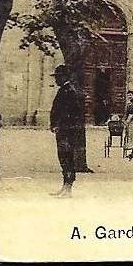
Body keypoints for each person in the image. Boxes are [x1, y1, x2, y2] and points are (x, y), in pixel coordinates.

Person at [49, 65, 84, 197]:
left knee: (67, 158)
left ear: (64, 77)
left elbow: (69, 113)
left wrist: (60, 125)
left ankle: (68, 188)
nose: (56, 80)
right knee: (63, 158)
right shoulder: (63, 90)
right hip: (62, 131)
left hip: (67, 132)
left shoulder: (69, 91)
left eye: (58, 77)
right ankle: (65, 186)